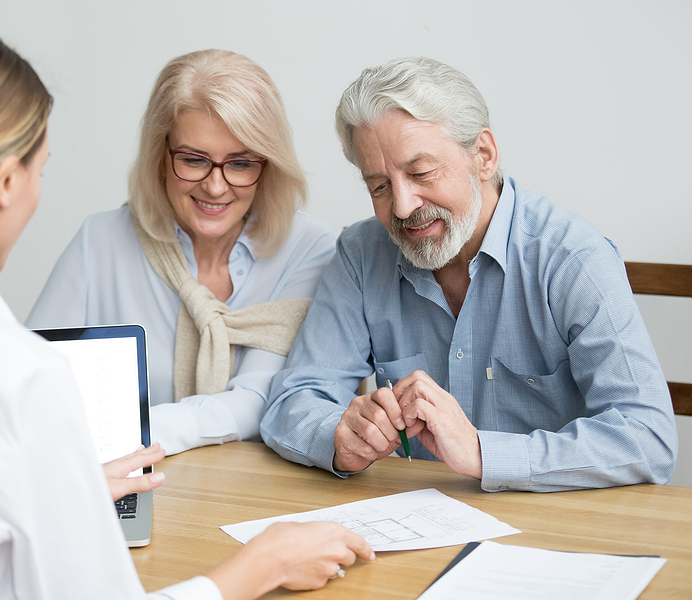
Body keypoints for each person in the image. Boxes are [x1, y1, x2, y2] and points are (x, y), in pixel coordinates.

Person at [0, 29, 373, 600]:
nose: (216, 184)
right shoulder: (16, 377)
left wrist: (66, 490)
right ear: (5, 182)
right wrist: (257, 568)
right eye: (42, 170)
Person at [260, 56, 678, 493]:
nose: (402, 206)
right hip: (413, 525)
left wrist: (482, 452)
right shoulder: (361, 254)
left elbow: (648, 437)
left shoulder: (572, 258)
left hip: (556, 527)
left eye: (421, 173)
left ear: (483, 157)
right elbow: (293, 401)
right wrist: (339, 437)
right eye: (379, 186)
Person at [25, 49, 336, 456]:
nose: (215, 187)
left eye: (240, 164)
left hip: (248, 493)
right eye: (193, 160)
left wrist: (132, 436)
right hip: (123, 479)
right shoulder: (99, 240)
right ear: (159, 155)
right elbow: (30, 377)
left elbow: (259, 400)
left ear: (269, 166)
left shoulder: (308, 248)